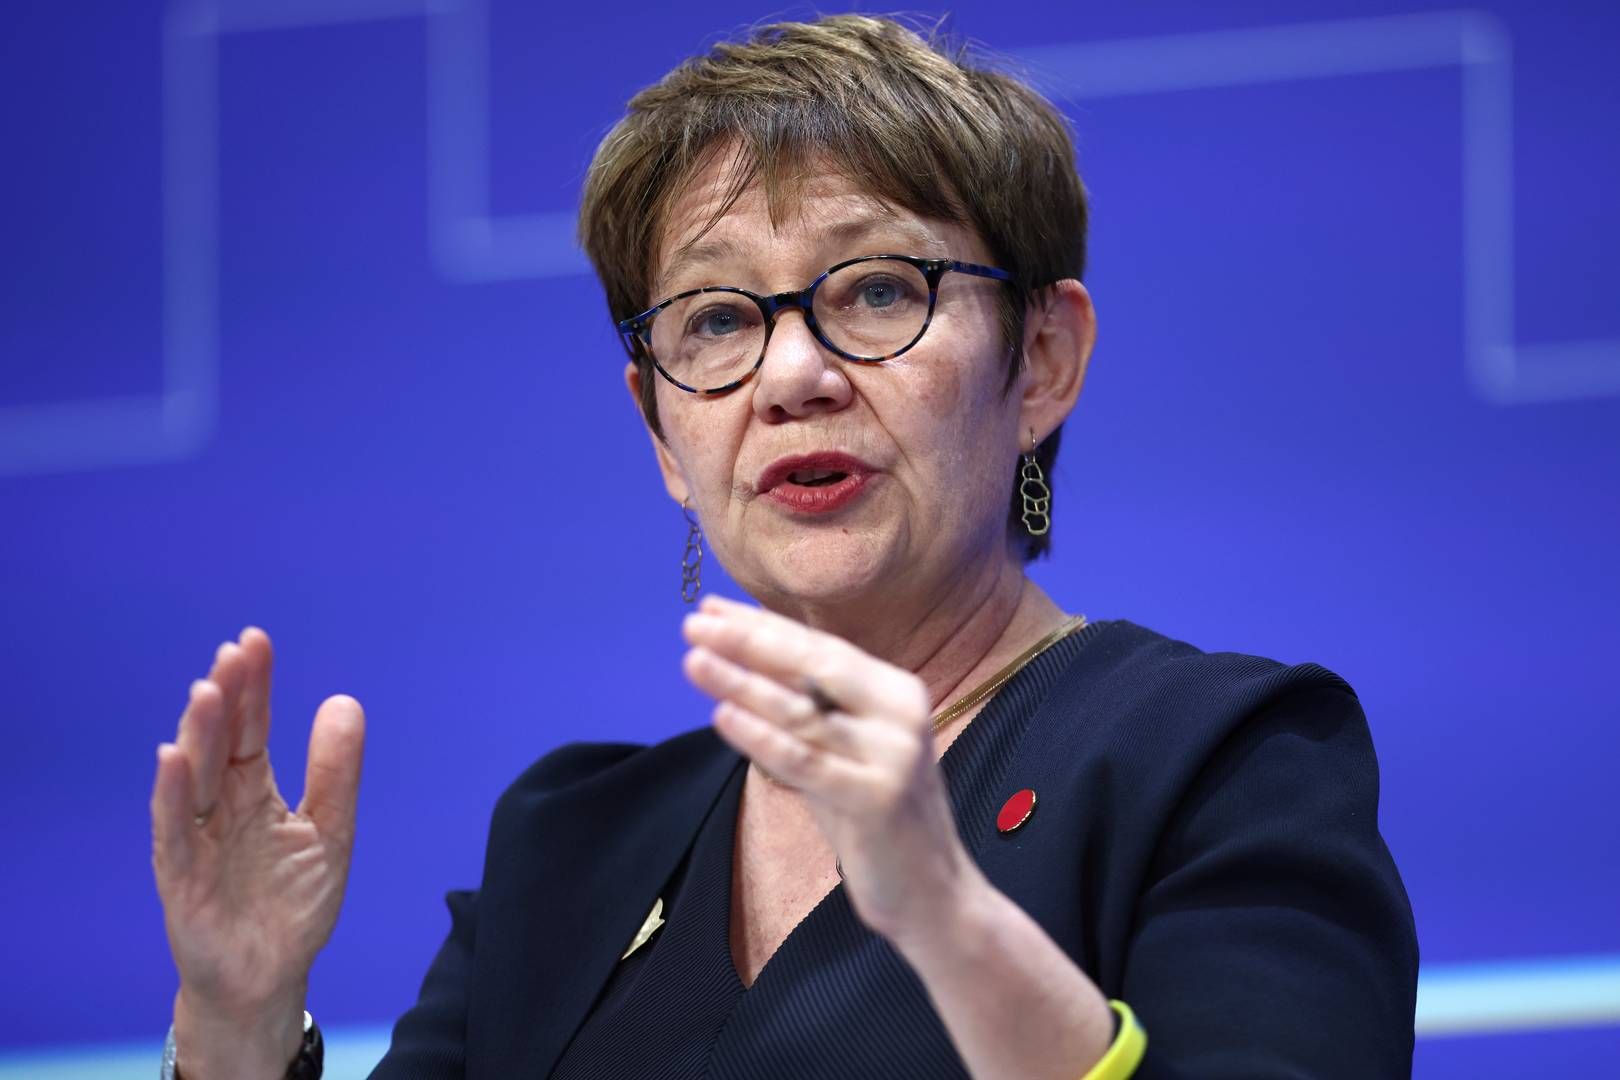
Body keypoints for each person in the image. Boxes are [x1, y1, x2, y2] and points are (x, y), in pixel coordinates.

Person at [148, 14, 1419, 1079]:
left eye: (878, 289)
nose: (792, 375)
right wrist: (237, 1018)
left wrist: (947, 918)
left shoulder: (1221, 759)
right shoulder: (567, 848)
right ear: (662, 432)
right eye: (715, 319)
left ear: (1042, 360)